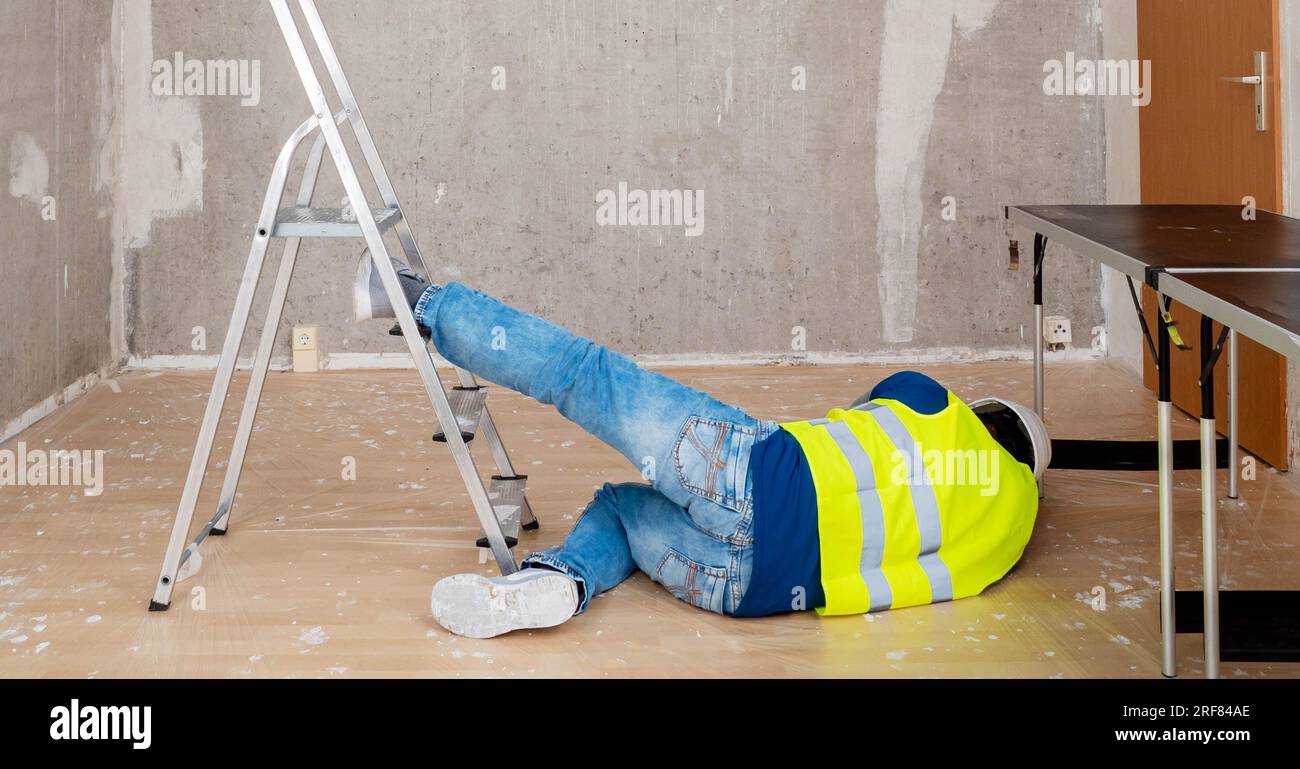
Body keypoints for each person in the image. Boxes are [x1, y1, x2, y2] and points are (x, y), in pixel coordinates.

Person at [353, 252, 1049, 638]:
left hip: (750, 474)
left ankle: (416, 299)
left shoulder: (939, 405)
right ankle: (556, 582)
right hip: (753, 589)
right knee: (622, 512)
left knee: (583, 373)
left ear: (989, 415)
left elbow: (881, 393)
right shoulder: (1013, 528)